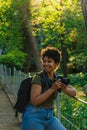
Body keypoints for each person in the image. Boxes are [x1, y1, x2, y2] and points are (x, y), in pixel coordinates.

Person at [22, 46, 76, 130]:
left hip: (49, 116)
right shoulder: (38, 78)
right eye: (44, 61)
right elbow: (34, 101)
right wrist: (52, 89)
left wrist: (64, 88)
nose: (46, 64)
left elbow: (74, 93)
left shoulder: (57, 78)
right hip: (34, 115)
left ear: (56, 64)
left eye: (49, 61)